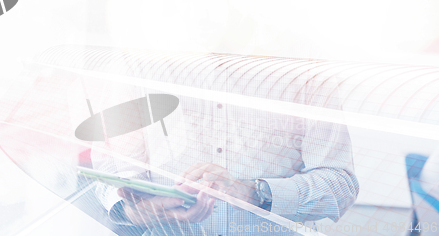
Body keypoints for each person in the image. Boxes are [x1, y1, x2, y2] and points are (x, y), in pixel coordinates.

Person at [91, 63, 359, 236]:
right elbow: (109, 168)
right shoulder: (135, 69)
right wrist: (135, 208)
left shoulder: (305, 76)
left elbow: (340, 186)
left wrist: (255, 193)